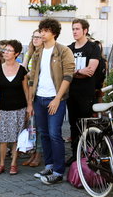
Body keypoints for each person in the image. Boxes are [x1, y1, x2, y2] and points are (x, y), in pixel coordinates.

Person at [30, 18, 75, 185]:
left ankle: (58, 171)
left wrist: (57, 98)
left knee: (55, 134)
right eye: (41, 30)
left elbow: (68, 76)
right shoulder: (37, 52)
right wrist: (30, 101)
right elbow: (32, 77)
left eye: (46, 30)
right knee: (44, 133)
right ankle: (49, 165)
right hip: (39, 98)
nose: (42, 33)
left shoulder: (63, 51)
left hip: (55, 99)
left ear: (53, 33)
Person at [0, 40, 32, 175]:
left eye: (9, 51)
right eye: (5, 50)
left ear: (16, 54)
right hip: (3, 109)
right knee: (3, 138)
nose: (5, 52)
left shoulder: (22, 70)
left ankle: (14, 163)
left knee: (16, 138)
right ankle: (2, 163)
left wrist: (29, 106)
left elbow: (26, 90)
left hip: (19, 108)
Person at [67, 19, 101, 165]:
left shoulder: (93, 47)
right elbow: (65, 71)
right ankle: (75, 154)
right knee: (73, 125)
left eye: (77, 29)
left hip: (86, 93)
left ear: (85, 30)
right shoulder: (69, 48)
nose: (74, 31)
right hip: (71, 92)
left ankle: (87, 155)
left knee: (85, 124)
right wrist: (80, 71)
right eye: (73, 29)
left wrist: (74, 72)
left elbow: (91, 71)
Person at [22, 29, 44, 167]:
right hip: (29, 91)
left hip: (39, 91)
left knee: (39, 126)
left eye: (38, 37)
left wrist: (29, 74)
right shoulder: (30, 53)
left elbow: (36, 73)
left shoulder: (43, 53)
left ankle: (39, 154)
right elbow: (24, 70)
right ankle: (34, 151)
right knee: (32, 126)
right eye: (33, 37)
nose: (35, 39)